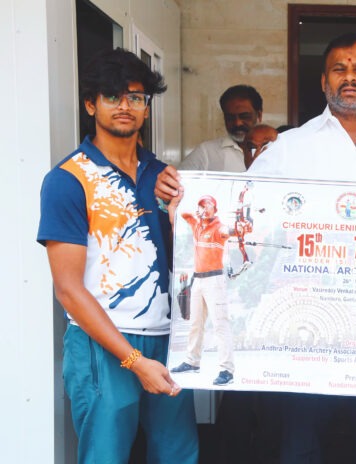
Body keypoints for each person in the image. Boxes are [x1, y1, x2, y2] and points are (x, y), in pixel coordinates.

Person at [157, 32, 356, 464]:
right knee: (300, 443)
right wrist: (182, 202)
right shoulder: (291, 145)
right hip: (306, 329)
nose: (350, 78)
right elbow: (245, 207)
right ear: (323, 81)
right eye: (339, 69)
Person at [36, 48, 198, 463]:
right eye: (112, 96)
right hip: (103, 343)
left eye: (135, 97)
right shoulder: (69, 179)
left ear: (146, 108)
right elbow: (68, 290)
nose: (124, 106)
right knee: (104, 457)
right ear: (91, 105)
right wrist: (134, 360)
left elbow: (191, 263)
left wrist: (178, 218)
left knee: (178, 455)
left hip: (168, 337)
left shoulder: (164, 177)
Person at [171, 194, 247, 385]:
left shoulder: (219, 228)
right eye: (202, 205)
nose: (205, 208)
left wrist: (241, 227)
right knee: (195, 323)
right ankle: (192, 361)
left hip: (214, 281)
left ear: (215, 209)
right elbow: (183, 213)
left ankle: (227, 370)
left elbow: (232, 231)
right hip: (198, 280)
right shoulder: (196, 224)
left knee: (220, 325)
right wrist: (198, 211)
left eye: (208, 206)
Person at [179, 84, 263, 171]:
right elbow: (179, 178)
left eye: (244, 116)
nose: (237, 123)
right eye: (230, 118)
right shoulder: (207, 152)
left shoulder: (271, 150)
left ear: (259, 115)